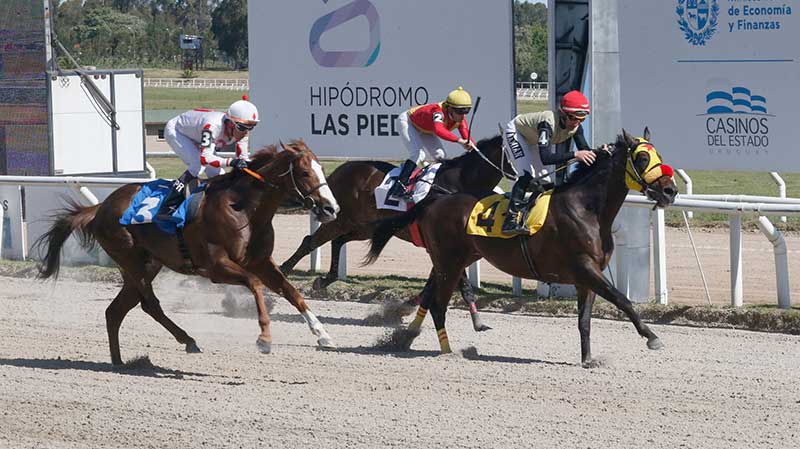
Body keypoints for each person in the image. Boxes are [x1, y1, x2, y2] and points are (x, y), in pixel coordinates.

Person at [501, 90, 598, 235]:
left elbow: (586, 150)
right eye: (573, 118)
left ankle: (530, 214)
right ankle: (510, 221)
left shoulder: (576, 127)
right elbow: (546, 158)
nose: (576, 123)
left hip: (533, 139)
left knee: (546, 183)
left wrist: (601, 152)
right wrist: (575, 154)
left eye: (582, 119)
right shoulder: (547, 124)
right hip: (516, 133)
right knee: (526, 175)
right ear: (562, 114)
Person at [155, 96, 259, 222]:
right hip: (177, 131)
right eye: (242, 127)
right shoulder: (212, 126)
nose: (245, 132)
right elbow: (205, 158)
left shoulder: (241, 132)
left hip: (196, 134)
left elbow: (243, 158)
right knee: (197, 165)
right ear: (230, 123)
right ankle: (167, 207)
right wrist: (231, 162)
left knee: (218, 174)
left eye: (251, 127)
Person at [389, 86, 477, 199]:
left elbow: (467, 136)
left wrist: (473, 147)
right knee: (418, 154)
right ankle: (398, 187)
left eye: (466, 111)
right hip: (408, 122)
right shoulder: (438, 111)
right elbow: (439, 130)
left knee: (441, 156)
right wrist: (459, 141)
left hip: (426, 129)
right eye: (460, 111)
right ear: (449, 108)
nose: (463, 115)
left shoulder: (460, 118)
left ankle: (437, 185)